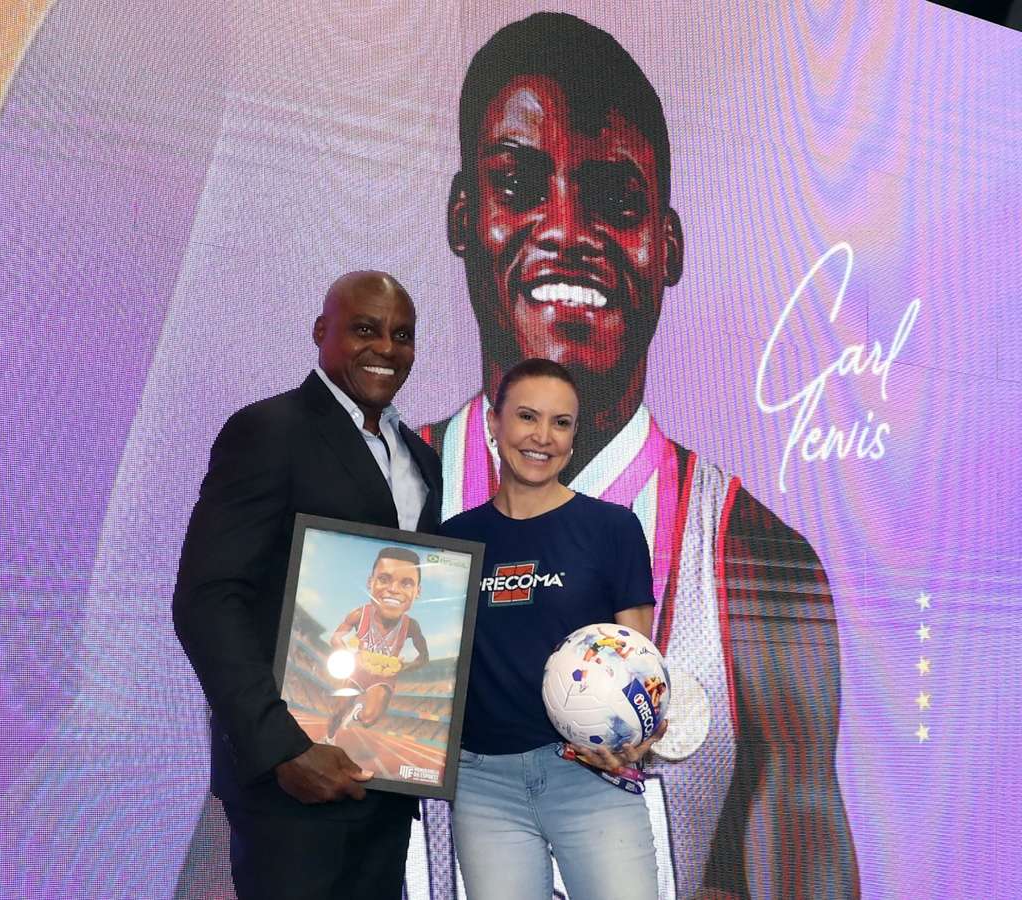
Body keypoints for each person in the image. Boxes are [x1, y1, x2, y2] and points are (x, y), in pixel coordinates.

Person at [419, 13, 859, 898]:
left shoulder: (750, 561)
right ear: (465, 216)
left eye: (616, 200)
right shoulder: (380, 503)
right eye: (520, 183)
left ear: (669, 246)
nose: (567, 229)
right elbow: (254, 851)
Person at [172, 271, 443, 900]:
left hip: (383, 774)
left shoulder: (421, 458)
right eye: (365, 329)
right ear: (322, 331)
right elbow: (208, 599)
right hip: (292, 780)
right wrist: (281, 748)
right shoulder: (269, 430)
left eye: (402, 335)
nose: (386, 348)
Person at [440, 357, 665, 900]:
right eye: (527, 417)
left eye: (560, 423)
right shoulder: (452, 541)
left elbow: (642, 665)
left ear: (573, 435)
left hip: (590, 775)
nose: (542, 437)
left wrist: (643, 732)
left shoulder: (613, 529)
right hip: (484, 786)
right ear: (494, 423)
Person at [325, 546, 431, 741]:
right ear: (370, 582)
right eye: (384, 579)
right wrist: (351, 657)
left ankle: (356, 714)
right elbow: (336, 638)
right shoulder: (360, 614)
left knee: (368, 719)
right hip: (359, 668)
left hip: (383, 675)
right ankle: (328, 739)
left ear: (418, 591)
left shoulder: (411, 626)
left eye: (407, 583)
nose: (394, 589)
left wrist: (402, 668)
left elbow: (424, 657)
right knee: (337, 711)